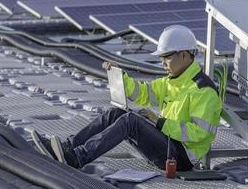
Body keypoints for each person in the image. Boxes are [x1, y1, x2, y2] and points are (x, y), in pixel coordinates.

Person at [31, 25, 222, 171]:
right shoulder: (174, 81)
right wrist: (120, 78)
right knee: (116, 113)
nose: (162, 63)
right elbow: (143, 93)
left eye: (166, 57)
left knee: (130, 121)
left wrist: (159, 122)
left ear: (183, 55)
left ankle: (78, 158)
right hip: (168, 144)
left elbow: (198, 133)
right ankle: (67, 148)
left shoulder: (202, 90)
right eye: (161, 58)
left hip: (181, 157)